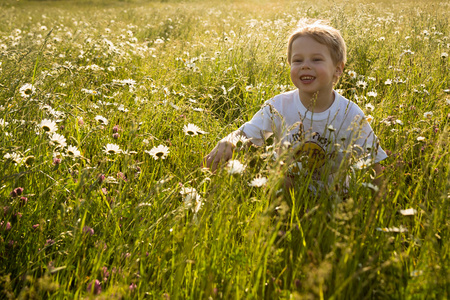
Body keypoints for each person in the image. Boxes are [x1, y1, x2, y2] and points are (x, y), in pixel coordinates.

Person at [204, 19, 387, 190]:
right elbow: (246, 134)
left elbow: (373, 164)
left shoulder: (350, 113)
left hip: (332, 199)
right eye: (298, 60)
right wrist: (228, 141)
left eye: (316, 59)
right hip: (283, 193)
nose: (305, 66)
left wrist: (381, 206)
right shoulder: (279, 105)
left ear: (338, 69)